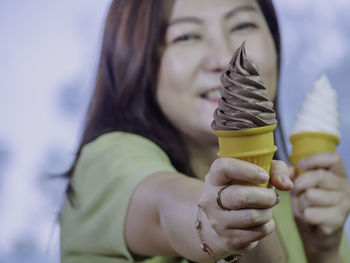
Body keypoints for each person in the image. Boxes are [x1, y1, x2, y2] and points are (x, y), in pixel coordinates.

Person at [60, 0, 350, 262]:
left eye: (242, 25)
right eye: (186, 36)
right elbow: (163, 208)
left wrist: (322, 252)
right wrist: (212, 223)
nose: (224, 58)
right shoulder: (107, 162)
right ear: (136, 60)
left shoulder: (294, 197)